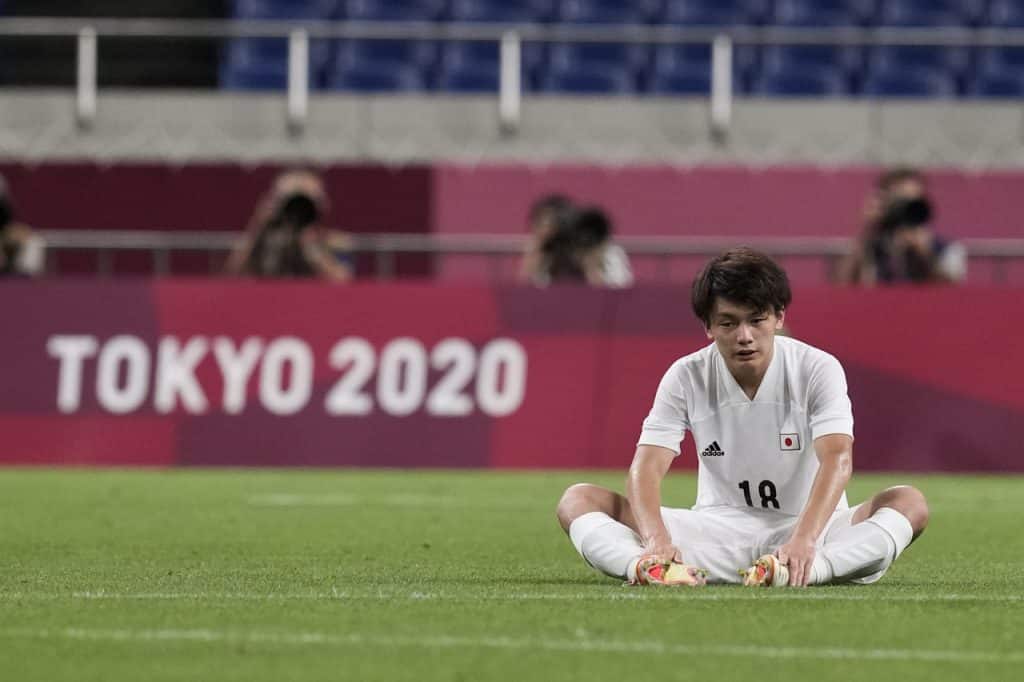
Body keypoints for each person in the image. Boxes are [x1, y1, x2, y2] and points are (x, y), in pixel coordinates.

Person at [556, 247, 929, 587]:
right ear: (708, 326)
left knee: (908, 502)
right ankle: (649, 569)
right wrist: (658, 541)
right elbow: (647, 467)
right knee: (578, 500)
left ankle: (803, 569)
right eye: (728, 323)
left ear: (779, 317)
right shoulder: (686, 375)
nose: (745, 336)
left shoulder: (817, 368)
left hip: (814, 530)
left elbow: (838, 458)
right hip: (717, 532)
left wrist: (803, 541)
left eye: (756, 320)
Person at [835, 167, 966, 285]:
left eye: (913, 200)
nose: (905, 208)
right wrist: (866, 230)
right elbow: (841, 284)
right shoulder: (872, 246)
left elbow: (953, 292)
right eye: (899, 200)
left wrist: (927, 255)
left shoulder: (946, 248)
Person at [225, 169, 354, 281]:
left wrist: (313, 248)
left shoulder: (336, 241)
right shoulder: (264, 239)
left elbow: (343, 281)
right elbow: (231, 273)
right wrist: (257, 226)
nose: (299, 211)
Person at [519, 195, 633, 288]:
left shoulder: (610, 252)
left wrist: (592, 267)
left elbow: (622, 299)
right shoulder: (548, 253)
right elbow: (527, 298)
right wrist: (536, 259)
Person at [0, 174, 46, 278]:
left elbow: (7, 223)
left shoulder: (4, 204)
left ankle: (27, 274)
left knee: (33, 239)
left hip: (3, 234)